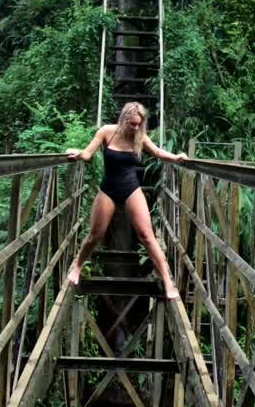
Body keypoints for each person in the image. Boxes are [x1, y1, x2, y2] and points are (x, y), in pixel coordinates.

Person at [65, 102, 187, 299]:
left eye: (139, 124)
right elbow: (87, 154)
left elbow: (157, 152)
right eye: (132, 124)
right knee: (96, 235)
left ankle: (167, 281)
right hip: (108, 189)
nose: (136, 128)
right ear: (123, 119)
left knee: (147, 236)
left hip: (131, 188)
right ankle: (77, 266)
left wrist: (176, 157)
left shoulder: (140, 137)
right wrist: (78, 153)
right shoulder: (106, 132)